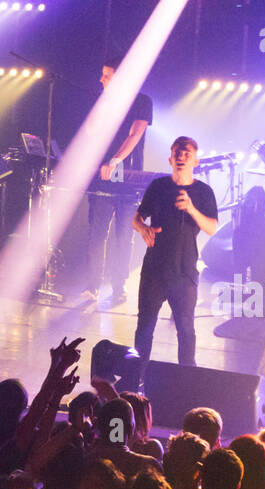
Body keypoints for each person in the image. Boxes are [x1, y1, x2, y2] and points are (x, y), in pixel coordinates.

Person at [130, 136, 219, 378]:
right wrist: (143, 229)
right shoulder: (158, 187)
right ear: (170, 159)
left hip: (184, 272)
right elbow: (136, 219)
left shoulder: (203, 191)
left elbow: (212, 227)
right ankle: (135, 379)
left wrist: (191, 208)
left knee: (186, 330)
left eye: (186, 153)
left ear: (195, 161)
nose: (181, 157)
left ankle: (187, 382)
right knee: (144, 328)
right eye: (177, 153)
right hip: (154, 270)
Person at [82, 55, 153, 306]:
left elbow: (135, 134)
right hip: (102, 178)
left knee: (124, 235)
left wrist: (115, 161)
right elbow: (90, 132)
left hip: (128, 179)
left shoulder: (142, 101)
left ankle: (119, 286)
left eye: (107, 75)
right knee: (97, 233)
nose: (101, 79)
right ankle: (92, 285)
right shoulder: (102, 102)